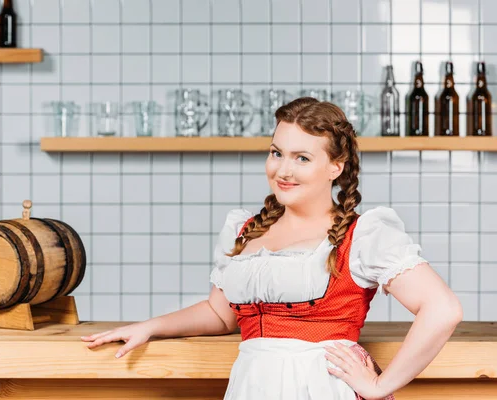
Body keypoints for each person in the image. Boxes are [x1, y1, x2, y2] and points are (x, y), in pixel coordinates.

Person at [81, 97, 463, 399]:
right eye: (277, 152)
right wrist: (149, 327)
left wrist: (382, 386)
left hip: (322, 389)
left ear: (336, 166)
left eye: (302, 158)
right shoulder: (245, 229)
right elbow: (221, 314)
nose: (283, 170)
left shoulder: (363, 234)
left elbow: (442, 309)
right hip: (251, 385)